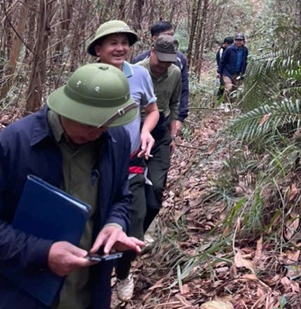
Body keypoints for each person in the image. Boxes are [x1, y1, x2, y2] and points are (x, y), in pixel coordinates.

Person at [0, 62, 144, 309]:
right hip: (22, 294)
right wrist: (42, 253)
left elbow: (121, 197)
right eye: (90, 124)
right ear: (68, 109)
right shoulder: (14, 144)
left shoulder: (116, 140)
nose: (97, 132)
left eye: (105, 124)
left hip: (89, 292)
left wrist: (114, 223)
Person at [86, 20, 158, 304]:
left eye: (124, 43)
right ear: (98, 49)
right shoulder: (87, 77)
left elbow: (152, 110)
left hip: (132, 163)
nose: (120, 48)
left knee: (134, 224)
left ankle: (124, 274)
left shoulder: (139, 75)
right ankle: (94, 283)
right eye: (113, 43)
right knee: (96, 224)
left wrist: (145, 131)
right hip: (94, 164)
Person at [135, 36, 181, 232]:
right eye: (160, 59)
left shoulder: (175, 73)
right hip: (135, 131)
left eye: (168, 61)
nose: (163, 65)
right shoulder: (136, 71)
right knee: (132, 188)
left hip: (161, 133)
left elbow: (174, 104)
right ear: (151, 51)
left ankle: (139, 233)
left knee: (155, 192)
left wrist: (172, 136)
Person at [133, 20, 189, 137]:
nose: (170, 39)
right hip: (138, 121)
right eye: (166, 36)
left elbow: (181, 93)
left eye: (171, 35)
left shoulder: (178, 62)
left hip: (163, 121)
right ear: (154, 40)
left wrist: (179, 118)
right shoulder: (138, 64)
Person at [218, 33, 249, 98]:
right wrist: (219, 72)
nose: (239, 42)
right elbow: (222, 61)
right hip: (227, 72)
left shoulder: (245, 50)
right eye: (237, 40)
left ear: (243, 41)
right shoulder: (229, 49)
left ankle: (231, 106)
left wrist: (243, 73)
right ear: (235, 41)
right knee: (229, 87)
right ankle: (225, 104)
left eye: (240, 40)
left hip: (238, 73)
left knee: (236, 91)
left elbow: (245, 61)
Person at [215, 37, 234, 101]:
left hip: (228, 71)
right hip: (222, 71)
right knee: (222, 86)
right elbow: (221, 62)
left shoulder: (229, 50)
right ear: (225, 43)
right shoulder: (221, 51)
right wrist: (219, 72)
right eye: (229, 44)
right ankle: (219, 100)